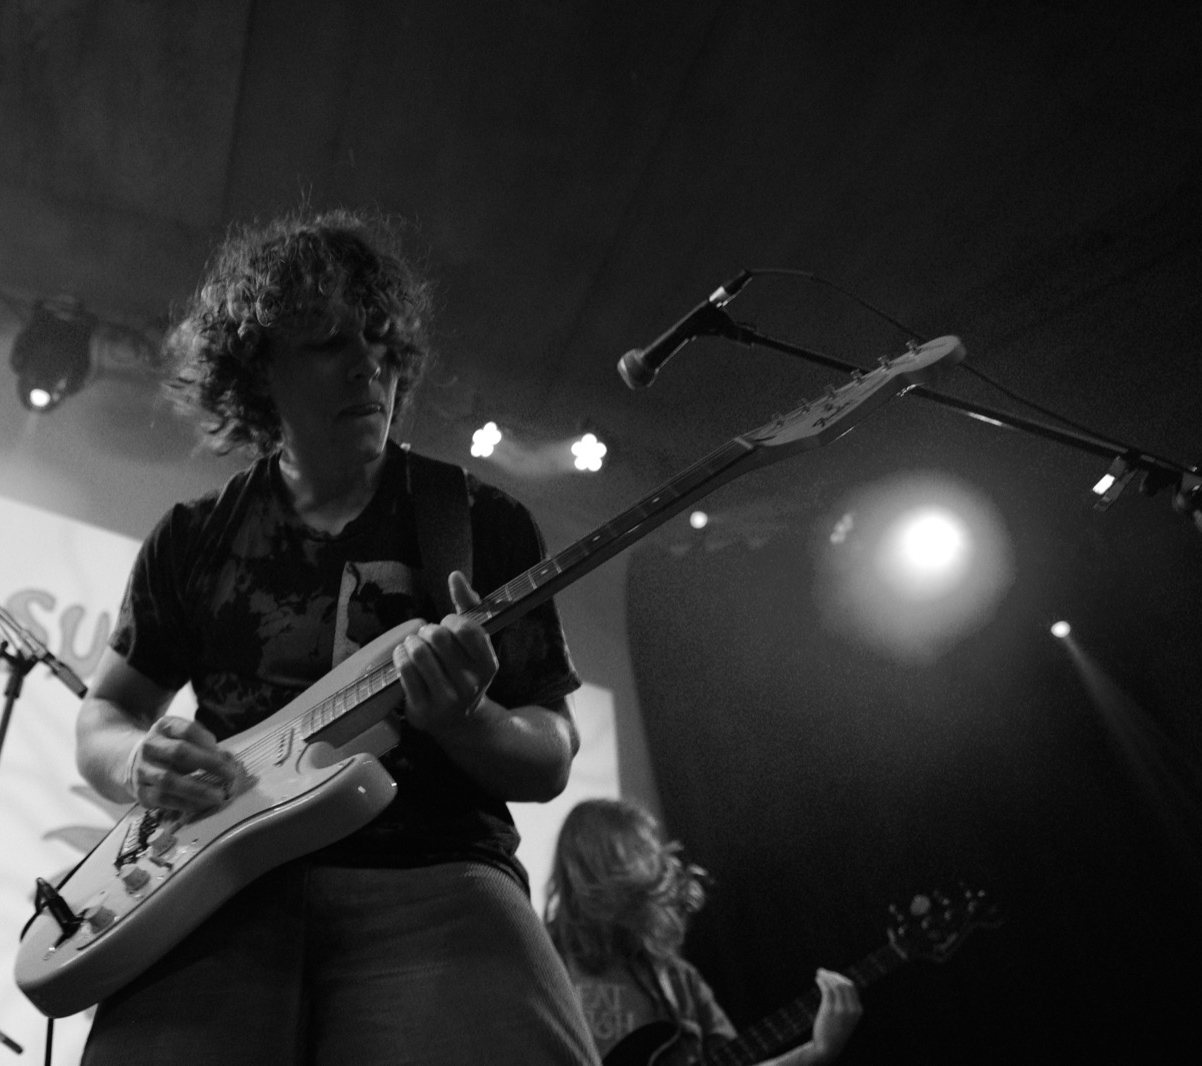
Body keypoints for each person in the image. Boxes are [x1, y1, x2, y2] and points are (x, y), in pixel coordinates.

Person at [73, 208, 599, 1065]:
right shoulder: (193, 538)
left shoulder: (480, 523)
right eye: (327, 343)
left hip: (437, 880)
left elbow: (549, 757)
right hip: (222, 889)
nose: (368, 366)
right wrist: (138, 761)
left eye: (383, 344)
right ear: (259, 371)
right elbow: (105, 716)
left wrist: (469, 720)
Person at [545, 799, 862, 1065]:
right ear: (598, 867)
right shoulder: (546, 967)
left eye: (650, 850)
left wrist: (817, 1051)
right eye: (639, 851)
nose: (657, 865)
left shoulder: (681, 980)